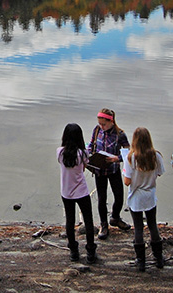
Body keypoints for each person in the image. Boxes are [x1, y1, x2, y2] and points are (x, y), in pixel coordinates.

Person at [123, 127, 166, 271]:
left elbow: (127, 182)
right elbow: (159, 173)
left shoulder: (131, 157)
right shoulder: (156, 156)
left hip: (136, 196)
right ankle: (158, 258)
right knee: (153, 225)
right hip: (150, 195)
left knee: (138, 228)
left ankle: (140, 260)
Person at [57, 123, 98, 264]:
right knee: (88, 220)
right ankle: (91, 251)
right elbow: (84, 166)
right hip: (81, 191)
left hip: (66, 192)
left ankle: (73, 251)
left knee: (70, 220)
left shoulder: (60, 152)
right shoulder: (82, 153)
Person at [87, 108, 131, 239]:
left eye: (104, 124)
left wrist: (117, 158)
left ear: (111, 121)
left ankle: (115, 218)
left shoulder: (120, 134)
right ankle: (103, 224)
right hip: (99, 169)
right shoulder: (97, 130)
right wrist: (89, 155)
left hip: (113, 169)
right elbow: (91, 145)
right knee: (102, 198)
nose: (102, 126)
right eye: (100, 124)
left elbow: (129, 152)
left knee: (119, 196)